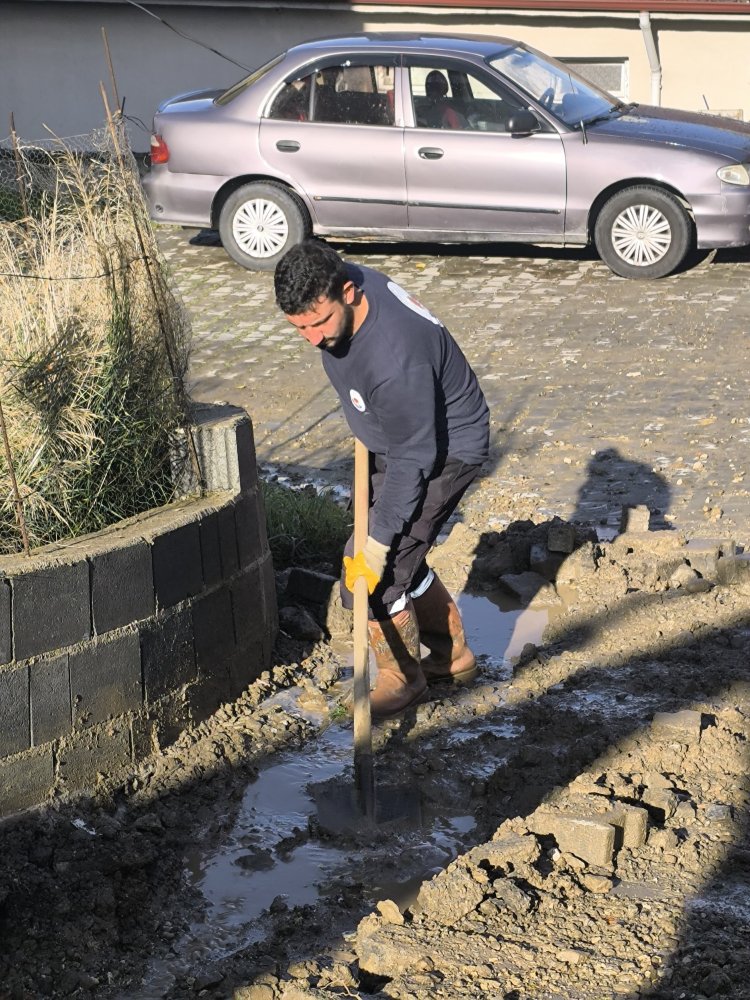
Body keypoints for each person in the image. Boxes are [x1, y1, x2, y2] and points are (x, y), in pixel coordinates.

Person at [274, 241, 489, 718]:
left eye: (319, 323)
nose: (312, 339)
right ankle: (451, 655)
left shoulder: (395, 357)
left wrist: (377, 544)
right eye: (300, 328)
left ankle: (403, 679)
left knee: (379, 569)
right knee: (385, 554)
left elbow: (416, 458)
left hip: (443, 449)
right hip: (396, 433)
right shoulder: (341, 284)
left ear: (348, 292)